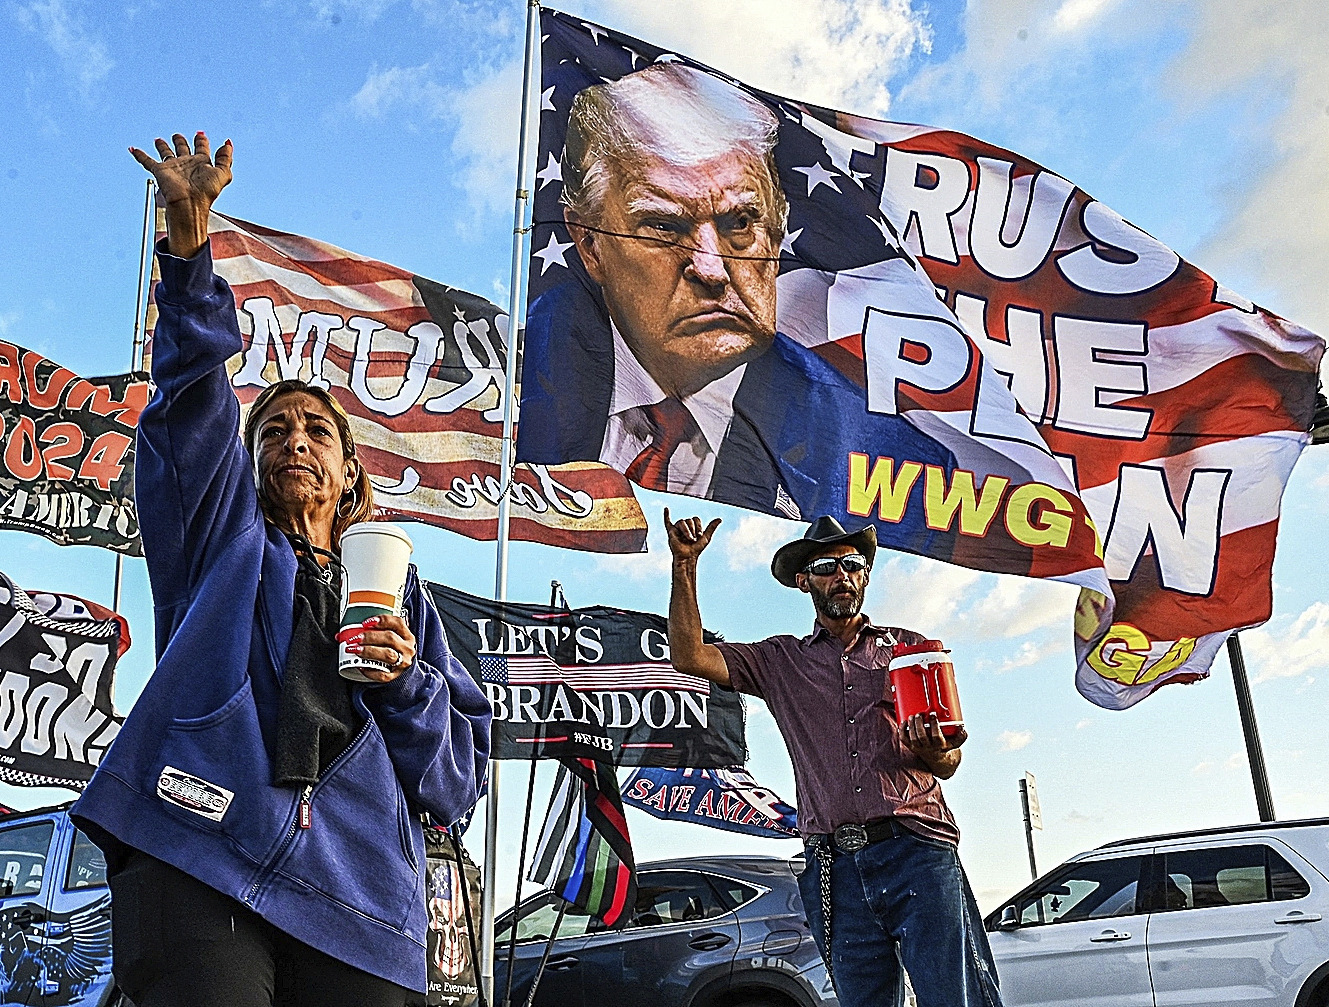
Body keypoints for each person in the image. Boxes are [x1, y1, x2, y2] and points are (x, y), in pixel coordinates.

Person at [70, 131, 491, 1007]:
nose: (294, 439)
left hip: (363, 903)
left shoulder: (409, 600)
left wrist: (409, 681)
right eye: (273, 430)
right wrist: (188, 250)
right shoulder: (221, 538)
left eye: (317, 432)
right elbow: (192, 404)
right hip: (199, 845)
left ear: (350, 475)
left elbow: (453, 782)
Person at [517, 63, 951, 523]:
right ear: (590, 245)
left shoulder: (895, 463)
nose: (711, 269)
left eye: (740, 223)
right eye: (664, 226)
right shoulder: (515, 374)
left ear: (778, 227)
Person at [662, 510, 1002, 1007]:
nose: (841, 574)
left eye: (852, 564)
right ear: (804, 582)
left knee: (956, 998)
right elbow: (691, 657)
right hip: (832, 867)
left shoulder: (910, 650)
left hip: (916, 851)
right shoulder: (780, 660)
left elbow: (947, 762)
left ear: (864, 575)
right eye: (826, 565)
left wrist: (937, 750)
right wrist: (684, 567)